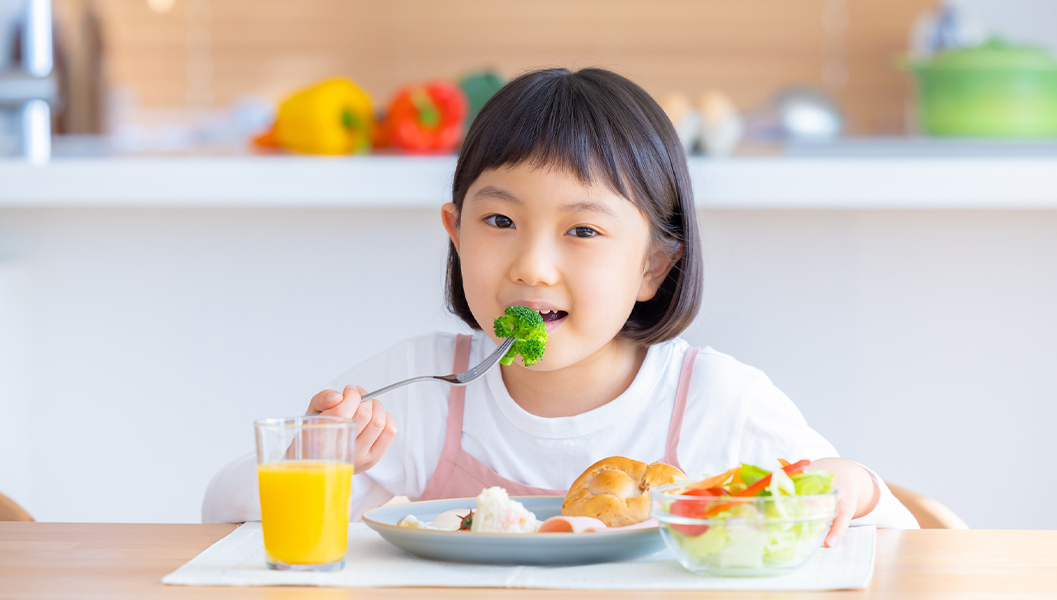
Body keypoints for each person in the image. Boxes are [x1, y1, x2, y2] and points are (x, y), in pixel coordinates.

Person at [202, 68, 917, 544]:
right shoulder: (421, 391)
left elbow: (892, 543)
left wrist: (852, 490)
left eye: (582, 230)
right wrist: (316, 459)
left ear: (653, 264)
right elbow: (223, 513)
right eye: (499, 222)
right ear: (454, 233)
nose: (532, 266)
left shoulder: (712, 404)